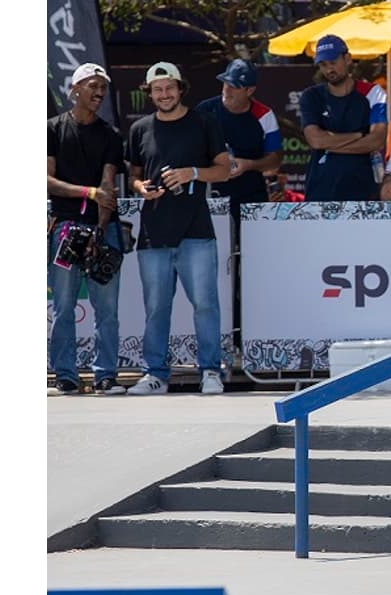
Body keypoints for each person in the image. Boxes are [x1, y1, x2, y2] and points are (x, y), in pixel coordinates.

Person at [125, 61, 232, 395]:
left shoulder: (203, 122)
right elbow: (135, 176)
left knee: (205, 304)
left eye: (169, 87)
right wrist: (141, 188)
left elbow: (224, 170)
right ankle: (155, 373)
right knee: (156, 308)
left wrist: (192, 173)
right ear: (149, 93)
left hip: (196, 230)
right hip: (153, 232)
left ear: (180, 88)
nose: (164, 94)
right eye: (157, 89)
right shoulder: (139, 129)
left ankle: (211, 371)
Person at [46, 62, 128, 396]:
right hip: (64, 228)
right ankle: (66, 375)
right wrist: (87, 192)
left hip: (102, 228)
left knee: (106, 308)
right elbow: (45, 180)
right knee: (63, 305)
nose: (99, 92)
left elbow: (108, 185)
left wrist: (100, 229)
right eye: (93, 85)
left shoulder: (110, 135)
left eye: (103, 88)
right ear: (75, 89)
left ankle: (105, 375)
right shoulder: (51, 129)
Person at [299, 35, 388, 202]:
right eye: (323, 65)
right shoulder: (311, 96)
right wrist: (358, 135)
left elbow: (377, 141)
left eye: (333, 62)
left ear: (347, 59)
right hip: (321, 190)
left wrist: (331, 146)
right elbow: (316, 141)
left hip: (363, 190)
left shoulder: (373, 93)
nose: (329, 70)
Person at [195, 60, 282, 211]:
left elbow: (275, 159)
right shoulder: (205, 111)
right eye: (225, 83)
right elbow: (190, 150)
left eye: (234, 86)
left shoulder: (264, 115)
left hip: (251, 198)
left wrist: (248, 165)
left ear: (250, 90)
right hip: (210, 194)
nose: (227, 90)